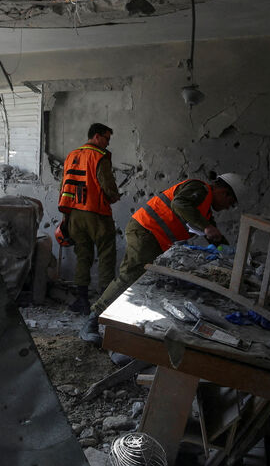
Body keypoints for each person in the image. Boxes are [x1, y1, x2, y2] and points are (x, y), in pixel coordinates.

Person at [79, 173, 246, 345]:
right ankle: (91, 322)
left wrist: (230, 253)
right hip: (146, 231)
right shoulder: (200, 189)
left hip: (154, 238)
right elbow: (179, 203)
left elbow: (214, 236)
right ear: (223, 192)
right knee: (130, 276)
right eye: (230, 202)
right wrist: (206, 227)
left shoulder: (204, 208)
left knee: (145, 282)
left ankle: (121, 326)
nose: (228, 207)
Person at [57, 123, 122, 313]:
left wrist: (66, 217)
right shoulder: (99, 156)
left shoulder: (71, 155)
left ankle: (82, 300)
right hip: (97, 213)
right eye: (106, 138)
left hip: (74, 215)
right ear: (96, 136)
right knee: (106, 254)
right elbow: (107, 184)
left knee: (83, 256)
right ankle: (105, 303)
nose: (108, 143)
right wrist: (114, 196)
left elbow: (63, 186)